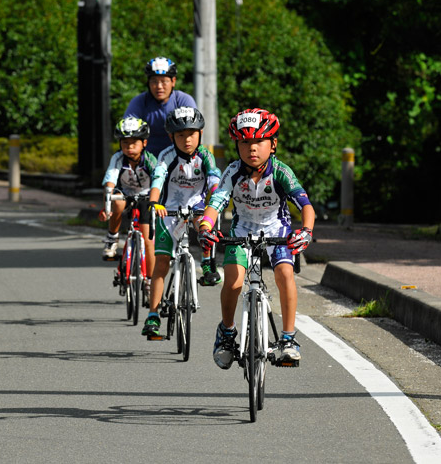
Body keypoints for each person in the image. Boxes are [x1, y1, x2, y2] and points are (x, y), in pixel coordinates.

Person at [196, 108, 315, 368]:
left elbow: (305, 205)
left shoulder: (281, 171)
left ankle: (288, 339)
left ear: (272, 144)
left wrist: (306, 231)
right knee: (235, 281)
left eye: (258, 141)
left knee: (285, 273)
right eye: (244, 142)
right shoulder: (233, 171)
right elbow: (216, 202)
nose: (252, 148)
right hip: (241, 231)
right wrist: (206, 226)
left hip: (277, 229)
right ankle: (227, 332)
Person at [141, 106, 222, 338]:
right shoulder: (167, 156)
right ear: (171, 137)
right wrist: (154, 202)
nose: (187, 140)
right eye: (180, 135)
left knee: (206, 226)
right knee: (162, 262)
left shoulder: (205, 155)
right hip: (168, 211)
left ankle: (207, 264)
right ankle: (153, 314)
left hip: (195, 208)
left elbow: (214, 178)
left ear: (200, 134)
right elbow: (157, 180)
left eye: (192, 134)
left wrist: (216, 198)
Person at [99, 118, 157, 295]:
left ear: (144, 143)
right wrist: (106, 207)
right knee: (116, 200)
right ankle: (112, 238)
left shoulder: (149, 159)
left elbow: (159, 180)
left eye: (134, 143)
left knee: (149, 242)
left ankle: (150, 280)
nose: (129, 147)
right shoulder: (118, 158)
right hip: (125, 194)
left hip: (147, 196)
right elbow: (110, 180)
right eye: (125, 143)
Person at [124, 56, 197, 159]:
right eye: (154, 81)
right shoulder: (139, 102)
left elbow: (193, 133)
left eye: (164, 81)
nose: (159, 86)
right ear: (148, 83)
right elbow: (127, 132)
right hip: (146, 161)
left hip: (179, 159)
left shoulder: (183, 100)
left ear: (173, 81)